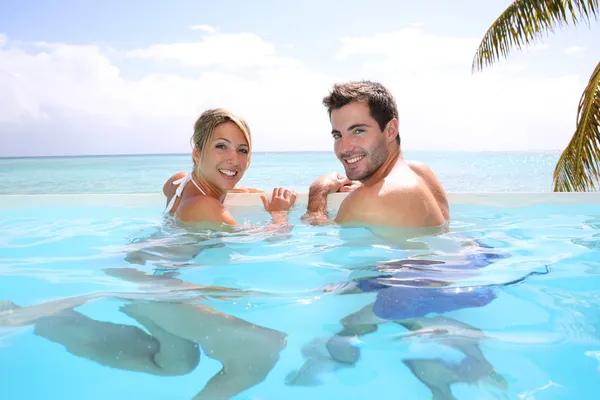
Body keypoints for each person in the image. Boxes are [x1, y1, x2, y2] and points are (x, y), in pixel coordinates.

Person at [301, 80, 448, 234]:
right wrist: (371, 189)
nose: (344, 148)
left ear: (391, 130)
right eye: (338, 135)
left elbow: (322, 240)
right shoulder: (422, 173)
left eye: (358, 131)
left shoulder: (366, 202)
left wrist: (317, 193)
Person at [164, 108, 296, 227]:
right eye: (221, 146)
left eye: (242, 150)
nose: (234, 160)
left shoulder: (177, 182)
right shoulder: (206, 206)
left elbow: (168, 190)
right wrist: (280, 213)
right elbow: (266, 239)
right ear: (197, 154)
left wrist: (223, 187)